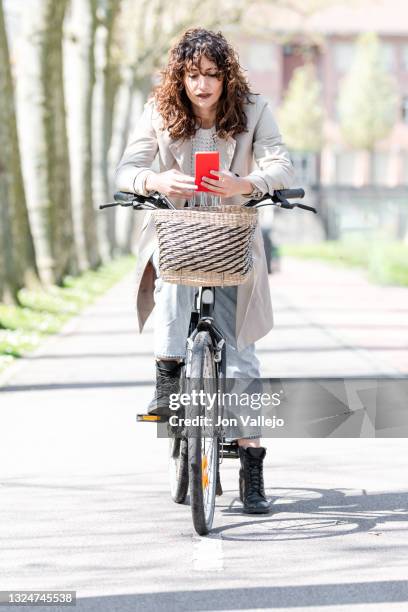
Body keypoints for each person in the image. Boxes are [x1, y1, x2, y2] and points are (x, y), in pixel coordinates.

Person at [115, 28, 294, 514]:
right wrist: (154, 178)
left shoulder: (254, 109)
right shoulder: (159, 110)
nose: (202, 85)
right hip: (177, 233)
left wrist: (247, 181)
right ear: (181, 76)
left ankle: (252, 466)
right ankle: (168, 374)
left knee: (241, 359)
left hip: (233, 237)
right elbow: (125, 170)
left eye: (212, 75)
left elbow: (282, 164)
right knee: (171, 280)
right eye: (193, 75)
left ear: (225, 76)